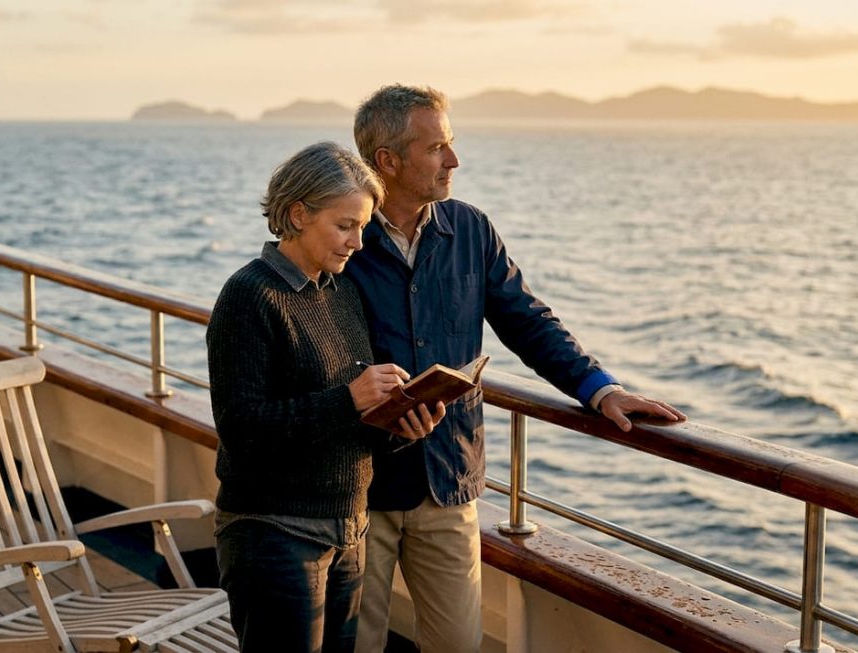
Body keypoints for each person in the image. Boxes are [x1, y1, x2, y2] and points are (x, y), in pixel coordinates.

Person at [344, 85, 687, 653]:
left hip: (448, 477)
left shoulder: (471, 229)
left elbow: (528, 321)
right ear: (388, 161)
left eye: (449, 144)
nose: (453, 160)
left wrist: (600, 389)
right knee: (355, 644)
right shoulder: (342, 236)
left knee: (458, 644)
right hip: (360, 481)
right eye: (436, 149)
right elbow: (308, 343)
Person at [206, 141, 446, 653]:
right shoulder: (249, 296)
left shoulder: (339, 294)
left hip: (349, 530)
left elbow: (349, 420)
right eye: (345, 226)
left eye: (362, 227)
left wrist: (402, 426)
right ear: (297, 214)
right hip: (275, 535)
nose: (358, 243)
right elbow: (242, 429)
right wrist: (350, 400)